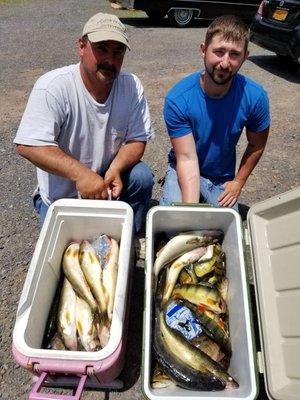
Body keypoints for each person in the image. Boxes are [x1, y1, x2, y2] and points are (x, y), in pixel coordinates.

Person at [14, 12, 154, 234]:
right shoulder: (54, 87)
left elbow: (137, 139)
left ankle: (132, 238)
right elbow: (29, 145)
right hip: (63, 200)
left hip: (106, 186)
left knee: (141, 177)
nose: (110, 60)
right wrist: (82, 174)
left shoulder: (131, 86)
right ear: (81, 46)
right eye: (102, 48)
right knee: (66, 259)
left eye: (118, 52)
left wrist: (115, 169)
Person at [160, 15, 270, 211]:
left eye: (235, 54)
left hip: (221, 178)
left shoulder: (255, 97)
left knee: (222, 230)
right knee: (176, 228)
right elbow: (186, 159)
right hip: (183, 167)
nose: (225, 63)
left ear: (245, 56)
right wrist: (190, 212)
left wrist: (238, 182)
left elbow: (257, 144)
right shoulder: (178, 99)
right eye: (219, 52)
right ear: (203, 50)